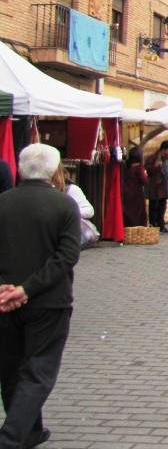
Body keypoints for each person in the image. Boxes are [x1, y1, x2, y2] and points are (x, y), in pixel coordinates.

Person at [0, 143, 81, 448]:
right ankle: (11, 438)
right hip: (49, 301)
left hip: (5, 302)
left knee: (11, 372)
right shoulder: (64, 205)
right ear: (55, 170)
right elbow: (67, 256)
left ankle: (31, 431)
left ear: (21, 169)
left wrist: (6, 288)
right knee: (38, 372)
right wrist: (27, 289)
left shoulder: (3, 201)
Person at [144, 140, 168, 233]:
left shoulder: (167, 158)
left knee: (162, 207)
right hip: (155, 186)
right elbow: (147, 168)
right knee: (154, 206)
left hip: (163, 186)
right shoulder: (153, 157)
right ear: (163, 149)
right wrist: (155, 166)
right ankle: (153, 225)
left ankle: (161, 225)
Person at [121, 146, 148, 227]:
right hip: (136, 193)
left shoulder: (125, 166)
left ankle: (128, 229)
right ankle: (138, 230)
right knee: (138, 214)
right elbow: (143, 180)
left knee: (128, 212)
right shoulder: (138, 167)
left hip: (125, 192)